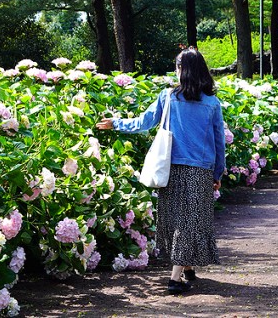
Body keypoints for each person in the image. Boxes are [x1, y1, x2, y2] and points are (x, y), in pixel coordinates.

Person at [95, 47, 225, 295]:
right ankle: (176, 279)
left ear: (181, 70)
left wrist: (116, 123)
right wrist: (218, 173)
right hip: (199, 171)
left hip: (170, 169)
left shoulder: (167, 97)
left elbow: (144, 123)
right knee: (189, 222)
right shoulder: (212, 103)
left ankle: (185, 268)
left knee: (177, 221)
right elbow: (219, 142)